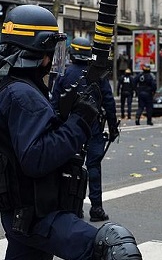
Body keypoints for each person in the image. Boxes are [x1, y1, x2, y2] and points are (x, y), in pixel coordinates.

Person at [0, 5, 141, 259]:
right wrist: (79, 122)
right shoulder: (23, 96)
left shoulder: (12, 88)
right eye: (51, 51)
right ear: (39, 52)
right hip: (38, 216)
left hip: (23, 216)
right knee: (114, 247)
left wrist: (66, 118)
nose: (53, 58)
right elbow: (35, 158)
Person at [51, 37, 119, 222]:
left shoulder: (63, 74)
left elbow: (54, 103)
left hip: (69, 128)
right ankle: (96, 208)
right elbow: (109, 102)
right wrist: (113, 127)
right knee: (93, 167)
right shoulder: (97, 75)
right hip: (93, 127)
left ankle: (73, 208)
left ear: (72, 52)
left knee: (71, 167)